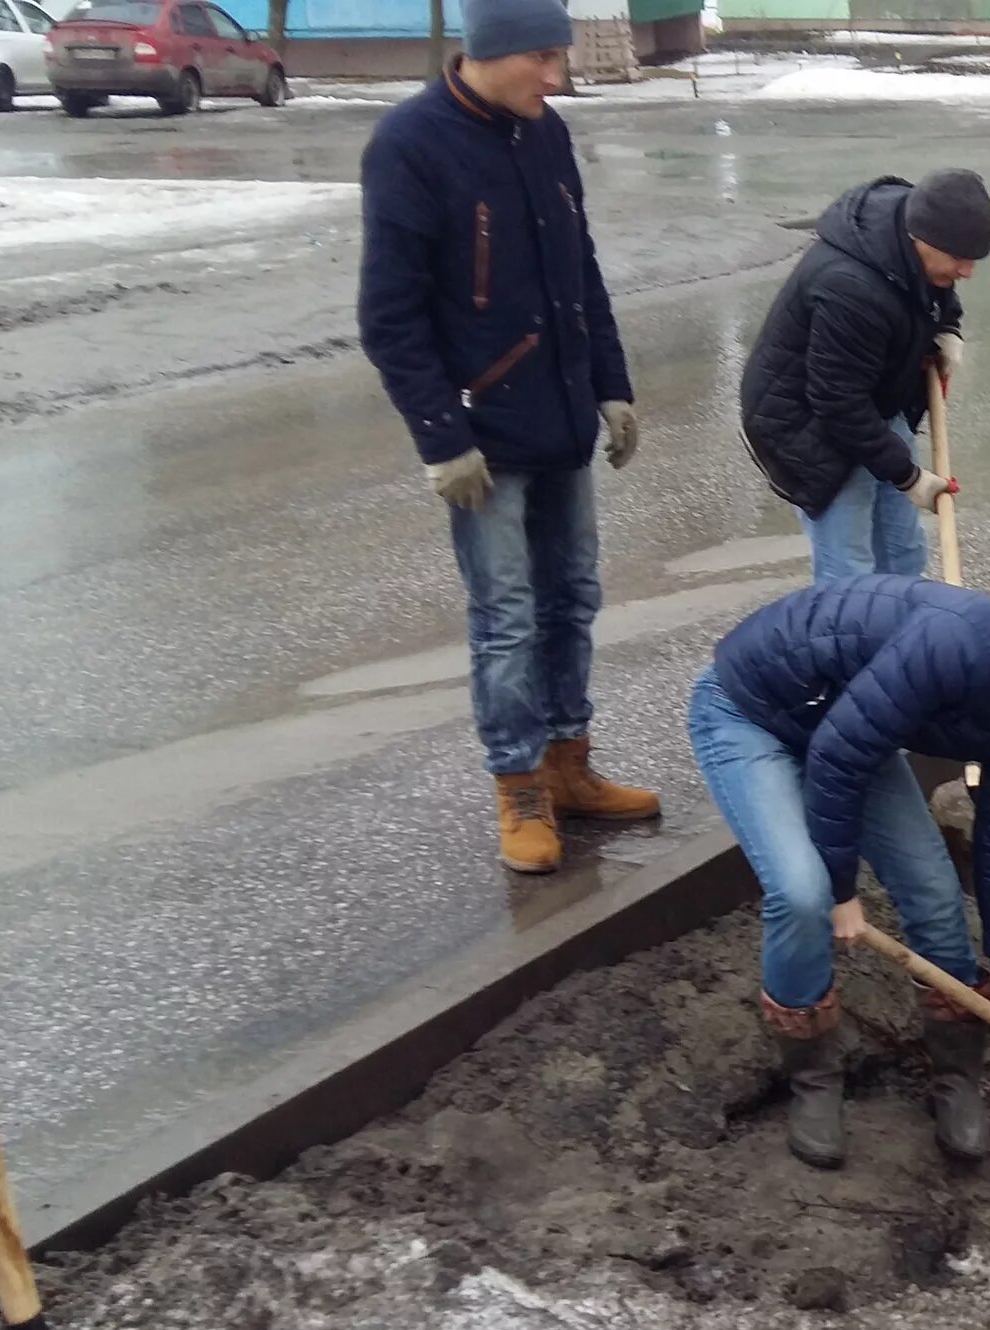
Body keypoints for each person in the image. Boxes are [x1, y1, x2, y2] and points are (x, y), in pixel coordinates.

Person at [689, 575, 990, 1170]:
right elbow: (839, 759)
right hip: (750, 710)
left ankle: (956, 1076)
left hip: (846, 717)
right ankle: (813, 1078)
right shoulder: (962, 648)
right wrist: (842, 890)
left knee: (936, 892)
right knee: (802, 891)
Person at [357, 0, 656, 875]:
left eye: (558, 58)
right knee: (507, 618)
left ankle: (571, 765)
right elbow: (389, 315)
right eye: (542, 59)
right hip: (483, 435)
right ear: (489, 52)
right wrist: (439, 437)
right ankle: (519, 786)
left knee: (574, 597)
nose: (556, 77)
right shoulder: (411, 146)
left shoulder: (545, 135)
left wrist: (612, 384)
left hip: (561, 415)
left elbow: (581, 272)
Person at [740, 170, 990, 587]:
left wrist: (948, 327)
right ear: (922, 239)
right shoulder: (850, 287)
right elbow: (838, 404)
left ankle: (901, 638)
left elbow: (934, 291)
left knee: (902, 552)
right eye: (959, 258)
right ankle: (854, 648)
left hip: (872, 399)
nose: (967, 271)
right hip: (808, 425)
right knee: (851, 574)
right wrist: (907, 477)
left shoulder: (917, 236)